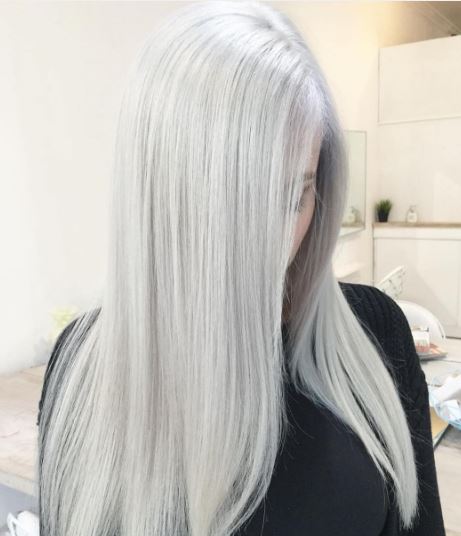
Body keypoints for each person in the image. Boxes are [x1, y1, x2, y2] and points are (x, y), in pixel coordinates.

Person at [36, 2, 445, 535]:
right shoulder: (80, 371)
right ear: (159, 199)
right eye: (238, 206)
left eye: (294, 197)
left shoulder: (377, 339)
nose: (271, 245)